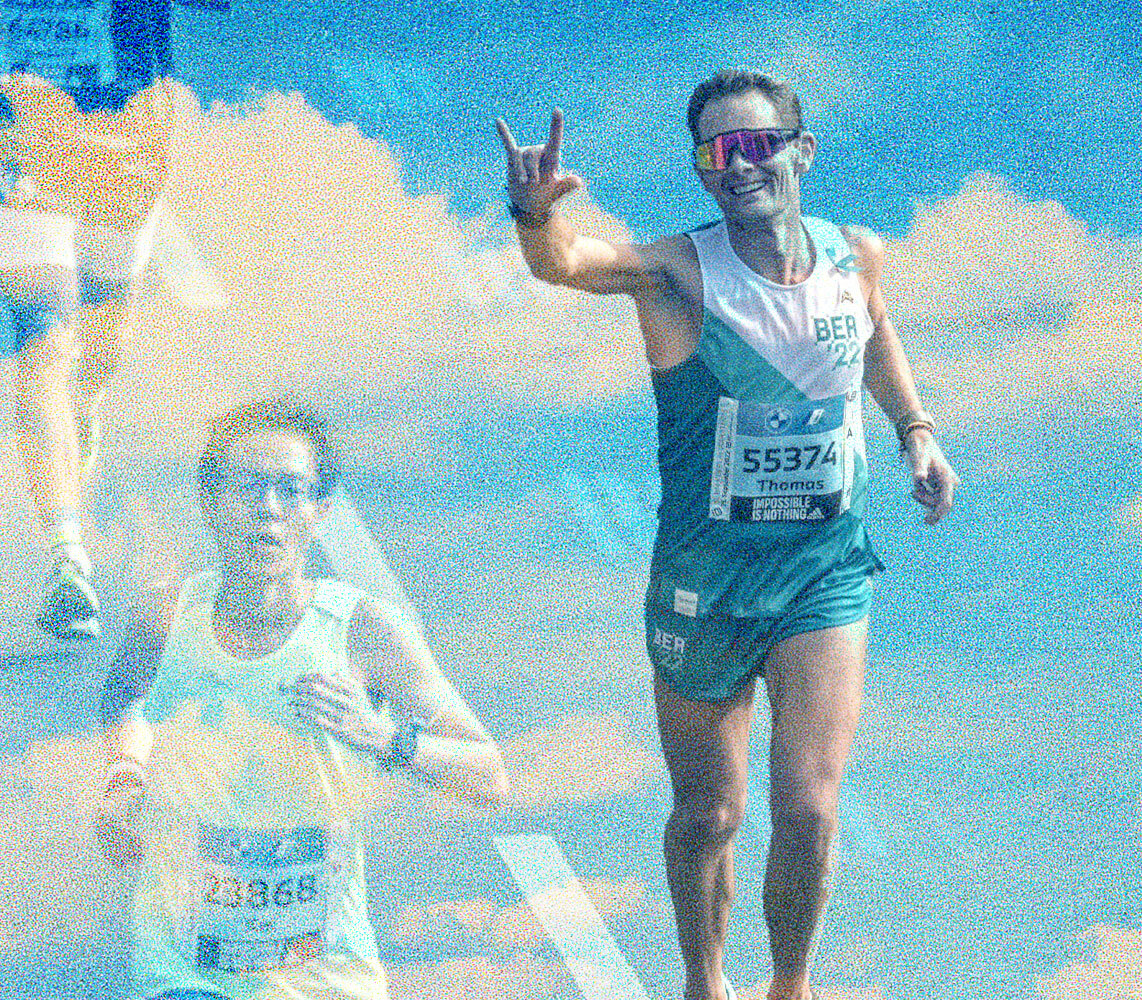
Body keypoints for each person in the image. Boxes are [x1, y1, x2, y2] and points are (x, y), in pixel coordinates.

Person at [498, 69, 959, 1000]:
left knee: (809, 810)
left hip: (822, 572)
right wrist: (534, 214)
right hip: (704, 584)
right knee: (709, 814)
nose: (738, 165)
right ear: (703, 173)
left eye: (756, 143)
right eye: (717, 151)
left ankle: (790, 985)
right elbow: (568, 265)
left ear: (801, 150)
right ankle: (705, 982)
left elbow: (873, 335)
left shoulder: (857, 255)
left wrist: (916, 430)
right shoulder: (676, 272)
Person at [92, 397, 511, 1000]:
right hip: (184, 973)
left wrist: (383, 736)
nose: (267, 512)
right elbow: (125, 698)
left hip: (325, 980)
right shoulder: (168, 618)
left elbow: (488, 776)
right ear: (212, 505)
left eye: (289, 490)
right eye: (246, 490)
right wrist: (124, 780)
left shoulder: (362, 632)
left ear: (321, 510)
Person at [0, 0, 198, 639]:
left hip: (125, 156)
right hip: (21, 145)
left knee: (92, 372)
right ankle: (67, 553)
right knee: (48, 350)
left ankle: (63, 506)